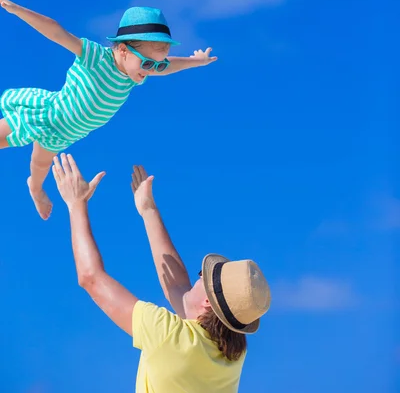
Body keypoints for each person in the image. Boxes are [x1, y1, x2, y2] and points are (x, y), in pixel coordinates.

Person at [52, 153, 271, 393]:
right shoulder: (232, 357)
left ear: (208, 302)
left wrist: (76, 204)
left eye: (201, 277)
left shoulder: (166, 335)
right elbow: (178, 287)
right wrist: (148, 210)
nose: (196, 278)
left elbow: (91, 278)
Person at [0, 0, 217, 219]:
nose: (153, 71)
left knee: (39, 165)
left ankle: (35, 189)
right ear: (123, 50)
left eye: (157, 65)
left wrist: (196, 62)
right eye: (149, 63)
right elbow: (57, 32)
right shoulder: (95, 57)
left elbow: (170, 66)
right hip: (48, 114)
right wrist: (17, 10)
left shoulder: (133, 76)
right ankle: (34, 185)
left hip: (65, 134)